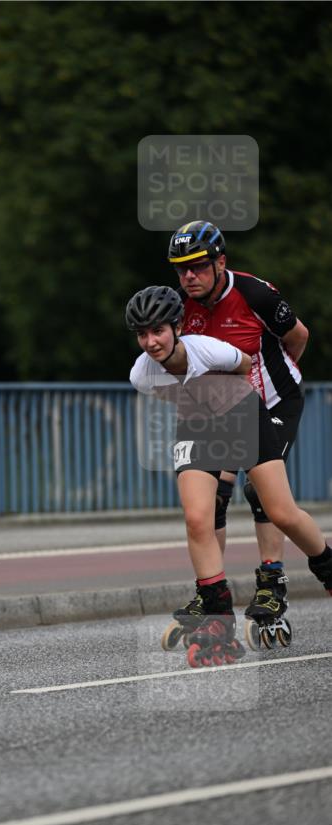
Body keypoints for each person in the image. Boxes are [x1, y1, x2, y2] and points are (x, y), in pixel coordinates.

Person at [126, 285, 331, 666]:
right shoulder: (142, 374)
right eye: (143, 334)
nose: (151, 342)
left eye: (158, 331)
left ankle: (327, 566)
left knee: (280, 510)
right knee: (198, 517)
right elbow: (170, 395)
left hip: (241, 411)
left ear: (177, 327)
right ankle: (218, 618)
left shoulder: (209, 348)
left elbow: (243, 368)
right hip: (197, 421)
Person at [167, 220, 309, 644]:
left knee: (261, 491)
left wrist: (277, 378)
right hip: (228, 409)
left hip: (275, 401)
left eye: (198, 266)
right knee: (215, 496)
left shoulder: (255, 294)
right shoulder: (180, 306)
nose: (189, 276)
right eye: (181, 269)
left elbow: (298, 337)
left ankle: (272, 580)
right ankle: (211, 593)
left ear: (220, 261)